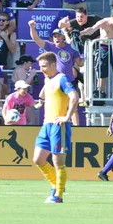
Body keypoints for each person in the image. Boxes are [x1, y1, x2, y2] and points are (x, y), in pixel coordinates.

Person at [33, 51, 79, 204]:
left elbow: (74, 96)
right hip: (46, 125)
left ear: (53, 65)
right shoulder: (48, 80)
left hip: (59, 126)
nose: (42, 69)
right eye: (40, 66)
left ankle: (58, 195)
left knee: (57, 161)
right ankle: (56, 184)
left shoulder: (62, 78)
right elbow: (46, 93)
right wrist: (40, 102)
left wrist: (67, 117)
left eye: (44, 66)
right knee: (38, 159)